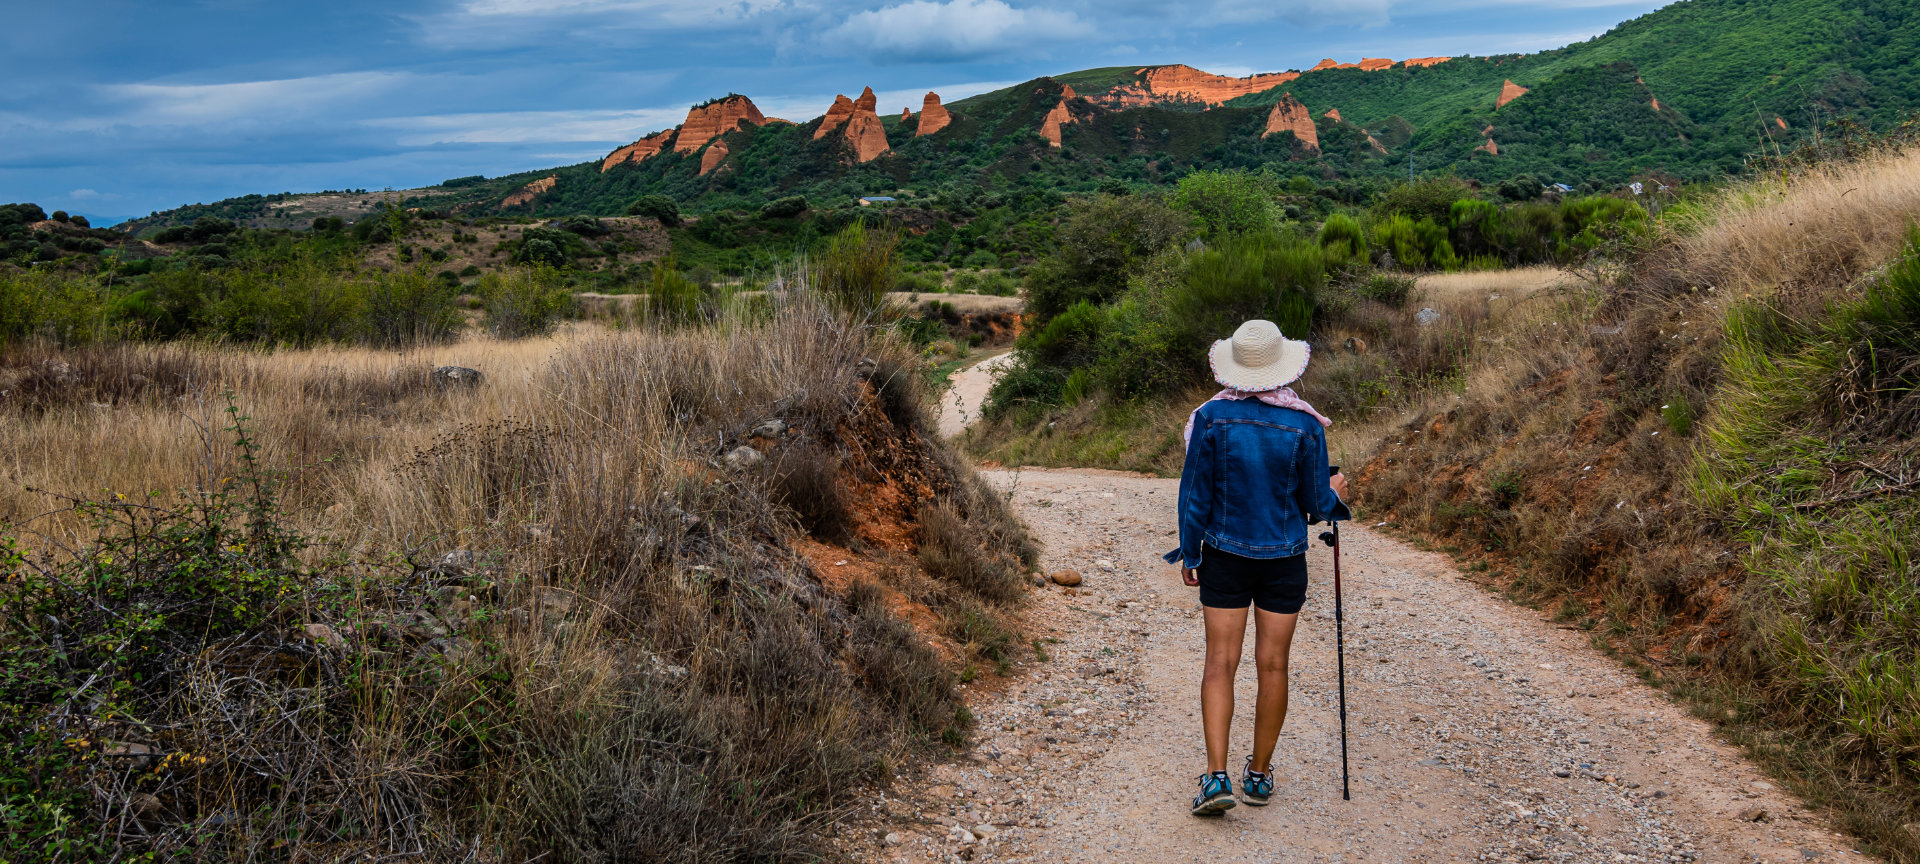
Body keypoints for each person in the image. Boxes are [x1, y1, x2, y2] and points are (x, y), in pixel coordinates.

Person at [1162, 319, 1350, 816]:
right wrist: (1337, 495)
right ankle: (1260, 778)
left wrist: (1191, 551)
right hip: (1283, 560)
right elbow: (1315, 504)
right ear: (1281, 367)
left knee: (1220, 663)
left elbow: (1194, 496)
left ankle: (1216, 776)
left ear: (1236, 368)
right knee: (1274, 666)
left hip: (1224, 557)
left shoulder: (1210, 418)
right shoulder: (1306, 424)